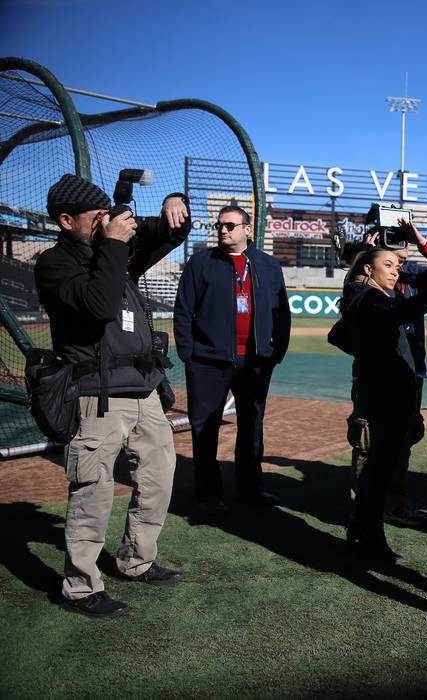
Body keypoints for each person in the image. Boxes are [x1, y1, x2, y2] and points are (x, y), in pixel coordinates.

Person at [35, 174, 190, 618]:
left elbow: (167, 233)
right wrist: (115, 244)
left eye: (109, 215)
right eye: (96, 217)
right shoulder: (56, 264)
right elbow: (100, 304)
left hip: (144, 390)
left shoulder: (115, 253)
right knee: (93, 492)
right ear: (67, 221)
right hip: (95, 394)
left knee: (158, 479)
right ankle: (80, 588)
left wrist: (175, 207)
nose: (108, 223)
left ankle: (136, 561)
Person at [338, 233, 427, 566]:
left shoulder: (369, 294)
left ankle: (362, 530)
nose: (395, 271)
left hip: (389, 390)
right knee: (377, 466)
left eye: (398, 266)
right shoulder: (364, 295)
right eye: (387, 264)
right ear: (368, 267)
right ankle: (371, 539)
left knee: (381, 465)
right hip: (383, 393)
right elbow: (399, 312)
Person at [174, 205, 291, 515]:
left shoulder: (268, 265)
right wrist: (188, 353)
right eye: (219, 225)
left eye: (230, 225)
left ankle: (252, 488)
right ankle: (208, 494)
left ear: (247, 229)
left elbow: (282, 314)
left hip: (255, 361)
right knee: (205, 428)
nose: (222, 230)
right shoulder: (201, 262)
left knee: (252, 426)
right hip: (208, 362)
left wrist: (276, 351)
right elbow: (184, 310)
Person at [379, 225, 427, 528]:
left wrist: (419, 239)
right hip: (378, 371)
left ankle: (393, 502)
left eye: (402, 239)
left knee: (406, 436)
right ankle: (367, 504)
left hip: (412, 370)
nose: (400, 244)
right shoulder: (367, 275)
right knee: (372, 438)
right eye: (391, 237)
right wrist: (371, 254)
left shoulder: (412, 277)